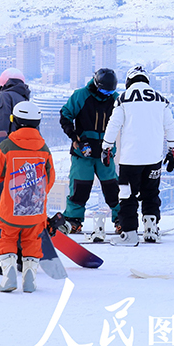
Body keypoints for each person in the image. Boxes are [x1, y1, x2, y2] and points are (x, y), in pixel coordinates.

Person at [101, 65, 174, 246]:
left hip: (131, 159)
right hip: (154, 158)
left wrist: (106, 148)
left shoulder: (123, 99)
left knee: (128, 195)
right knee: (151, 193)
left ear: (129, 81)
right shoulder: (161, 100)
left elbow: (113, 125)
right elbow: (170, 126)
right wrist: (173, 150)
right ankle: (151, 229)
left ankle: (129, 233)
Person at [0, 101, 56, 293]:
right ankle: (30, 277)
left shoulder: (7, 146)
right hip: (35, 210)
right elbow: (50, 179)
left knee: (7, 238)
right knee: (32, 240)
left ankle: (9, 271)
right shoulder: (44, 148)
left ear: (15, 121)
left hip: (10, 209)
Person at [0, 67, 31, 275]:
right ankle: (20, 256)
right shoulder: (27, 102)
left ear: (3, 83)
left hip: (9, 163)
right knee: (22, 210)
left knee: (3, 211)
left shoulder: (3, 98)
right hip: (28, 165)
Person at [58, 68, 120, 235]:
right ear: (96, 84)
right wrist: (73, 135)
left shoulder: (115, 99)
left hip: (105, 152)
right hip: (83, 152)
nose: (107, 94)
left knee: (112, 187)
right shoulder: (81, 96)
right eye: (104, 90)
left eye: (111, 91)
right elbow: (65, 115)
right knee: (80, 187)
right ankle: (73, 220)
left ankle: (121, 218)